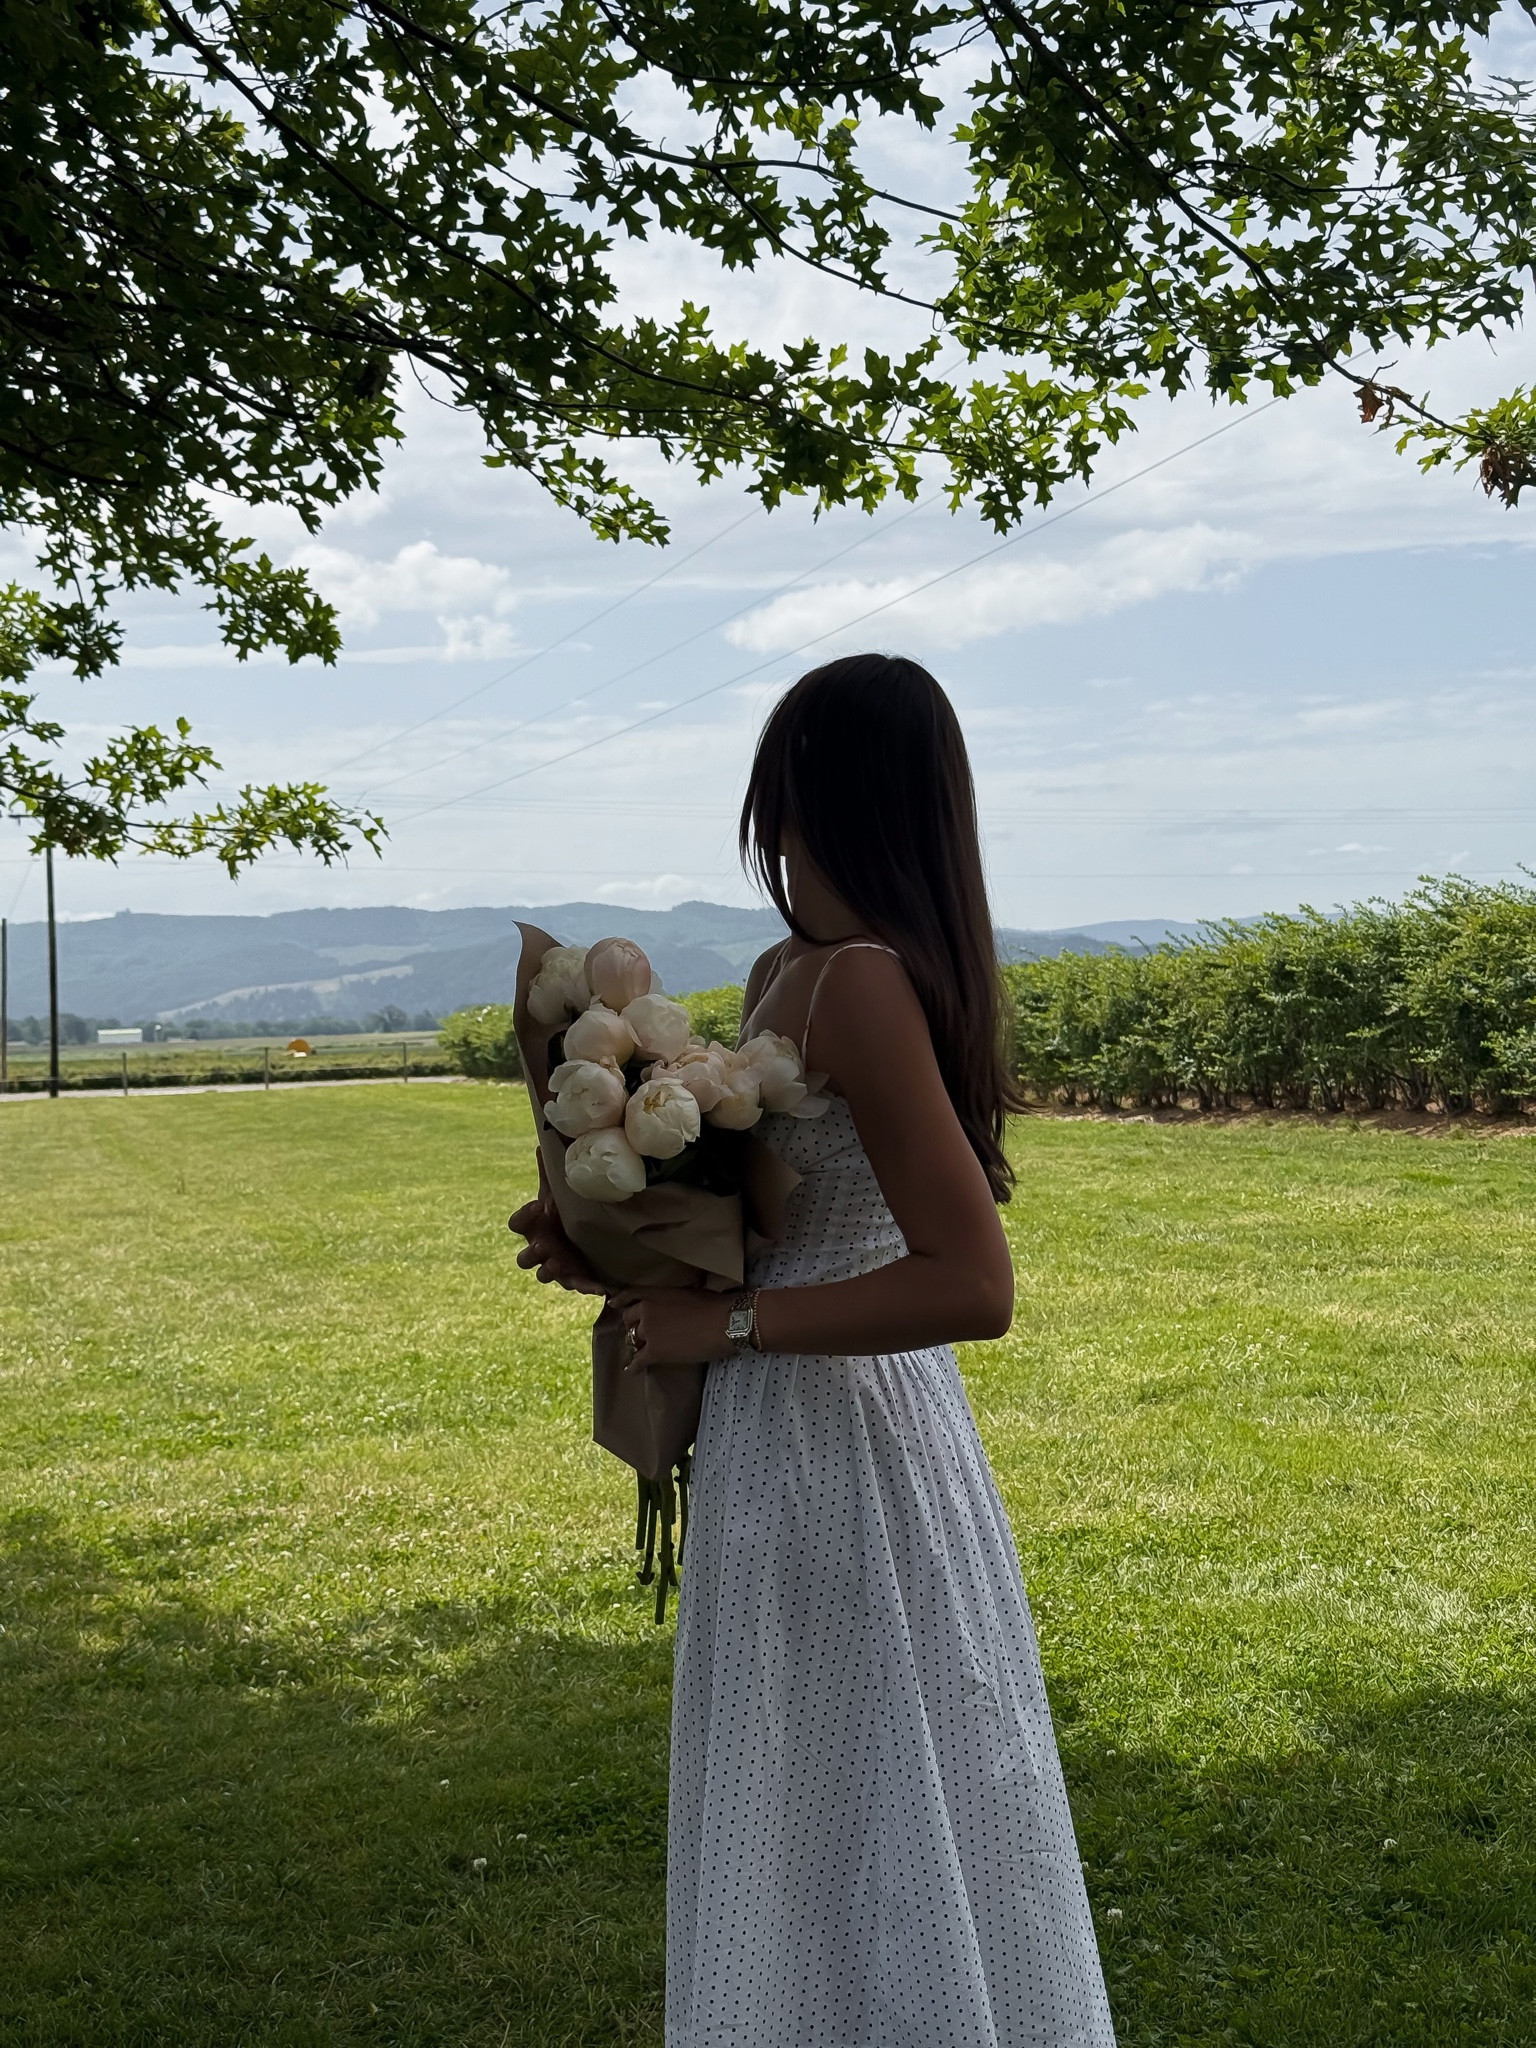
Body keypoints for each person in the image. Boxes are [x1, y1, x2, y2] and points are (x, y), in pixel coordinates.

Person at [512, 653, 1116, 2047]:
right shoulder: (787, 969)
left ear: (811, 791)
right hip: (782, 1428)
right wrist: (620, 1241)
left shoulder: (859, 984)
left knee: (870, 1780)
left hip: (852, 1441)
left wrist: (723, 1323)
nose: (763, 811)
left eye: (776, 776)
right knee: (813, 1787)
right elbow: (782, 1215)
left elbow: (973, 1283)